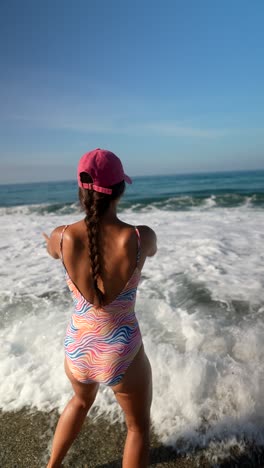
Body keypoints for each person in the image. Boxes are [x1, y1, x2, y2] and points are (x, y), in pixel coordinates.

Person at [43, 148, 157, 468]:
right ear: (120, 190)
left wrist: (50, 242)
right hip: (120, 350)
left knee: (79, 402)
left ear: (81, 190)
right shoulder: (139, 237)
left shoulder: (61, 236)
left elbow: (53, 252)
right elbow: (153, 249)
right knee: (137, 428)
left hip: (78, 347)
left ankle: (52, 466)